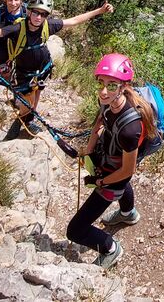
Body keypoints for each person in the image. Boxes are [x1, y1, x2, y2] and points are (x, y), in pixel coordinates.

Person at [0, 0, 114, 140]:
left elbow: (74, 20)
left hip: (43, 69)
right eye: (36, 13)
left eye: (43, 14)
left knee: (36, 92)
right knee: (27, 101)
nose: (39, 17)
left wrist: (99, 11)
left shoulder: (48, 25)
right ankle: (20, 124)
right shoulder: (18, 28)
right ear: (29, 12)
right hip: (24, 72)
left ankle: (28, 121)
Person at [65, 53, 157, 270]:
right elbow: (100, 119)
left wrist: (102, 182)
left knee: (75, 230)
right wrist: (88, 150)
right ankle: (128, 214)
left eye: (112, 85)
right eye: (101, 83)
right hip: (111, 159)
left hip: (114, 175)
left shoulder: (129, 129)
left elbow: (127, 170)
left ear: (124, 86)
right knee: (123, 186)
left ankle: (110, 248)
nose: (104, 91)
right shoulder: (108, 100)